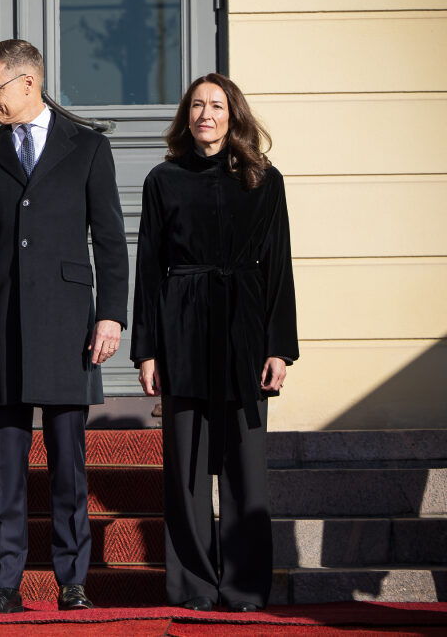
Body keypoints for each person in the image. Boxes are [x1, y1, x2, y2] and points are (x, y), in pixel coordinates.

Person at [0, 39, 129, 613]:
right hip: (0, 326)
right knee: (6, 468)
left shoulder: (88, 146)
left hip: (67, 325)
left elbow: (110, 238)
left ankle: (72, 581)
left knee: (68, 466)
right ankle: (5, 583)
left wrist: (111, 315)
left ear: (28, 83)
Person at [130, 73, 298, 612]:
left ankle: (245, 587)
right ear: (187, 116)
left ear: (233, 115)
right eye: (198, 105)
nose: (207, 114)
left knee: (246, 471)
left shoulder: (264, 179)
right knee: (186, 472)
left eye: (217, 105)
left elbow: (278, 267)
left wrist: (279, 347)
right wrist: (147, 350)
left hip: (244, 333)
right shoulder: (163, 179)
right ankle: (194, 586)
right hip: (181, 330)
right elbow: (149, 267)